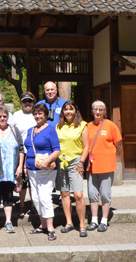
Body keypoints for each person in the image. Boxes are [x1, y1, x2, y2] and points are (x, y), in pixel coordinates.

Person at [24, 104, 60, 241]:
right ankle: (42, 225)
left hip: (46, 170)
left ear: (46, 115)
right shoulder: (30, 130)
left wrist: (47, 161)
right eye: (36, 114)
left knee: (45, 198)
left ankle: (51, 228)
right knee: (37, 199)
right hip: (32, 170)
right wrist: (24, 166)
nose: (38, 116)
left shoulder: (50, 130)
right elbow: (28, 149)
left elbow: (57, 150)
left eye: (40, 114)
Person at [86, 100, 122, 232]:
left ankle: (104, 221)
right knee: (92, 193)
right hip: (91, 166)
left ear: (105, 112)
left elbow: (118, 144)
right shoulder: (88, 126)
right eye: (95, 109)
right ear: (92, 111)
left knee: (105, 194)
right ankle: (94, 220)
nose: (98, 112)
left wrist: (108, 156)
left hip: (106, 166)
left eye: (101, 109)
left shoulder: (110, 125)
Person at [56, 101, 89, 237]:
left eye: (71, 109)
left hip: (76, 162)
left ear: (76, 111)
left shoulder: (82, 125)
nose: (68, 112)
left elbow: (86, 147)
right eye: (66, 110)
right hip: (61, 162)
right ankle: (69, 222)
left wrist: (81, 162)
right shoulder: (59, 126)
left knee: (78, 195)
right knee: (64, 194)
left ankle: (81, 224)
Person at [0, 105, 24, 234]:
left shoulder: (14, 130)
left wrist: (20, 166)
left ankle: (8, 221)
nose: (2, 118)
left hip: (11, 170)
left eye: (4, 116)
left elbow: (21, 149)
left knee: (8, 196)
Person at [11, 92, 37, 216]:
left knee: (33, 180)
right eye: (24, 101)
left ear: (33, 102)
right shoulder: (16, 115)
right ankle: (21, 204)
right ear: (21, 102)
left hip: (34, 151)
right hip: (20, 151)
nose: (27, 103)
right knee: (21, 179)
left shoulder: (36, 115)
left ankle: (33, 204)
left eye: (29, 101)